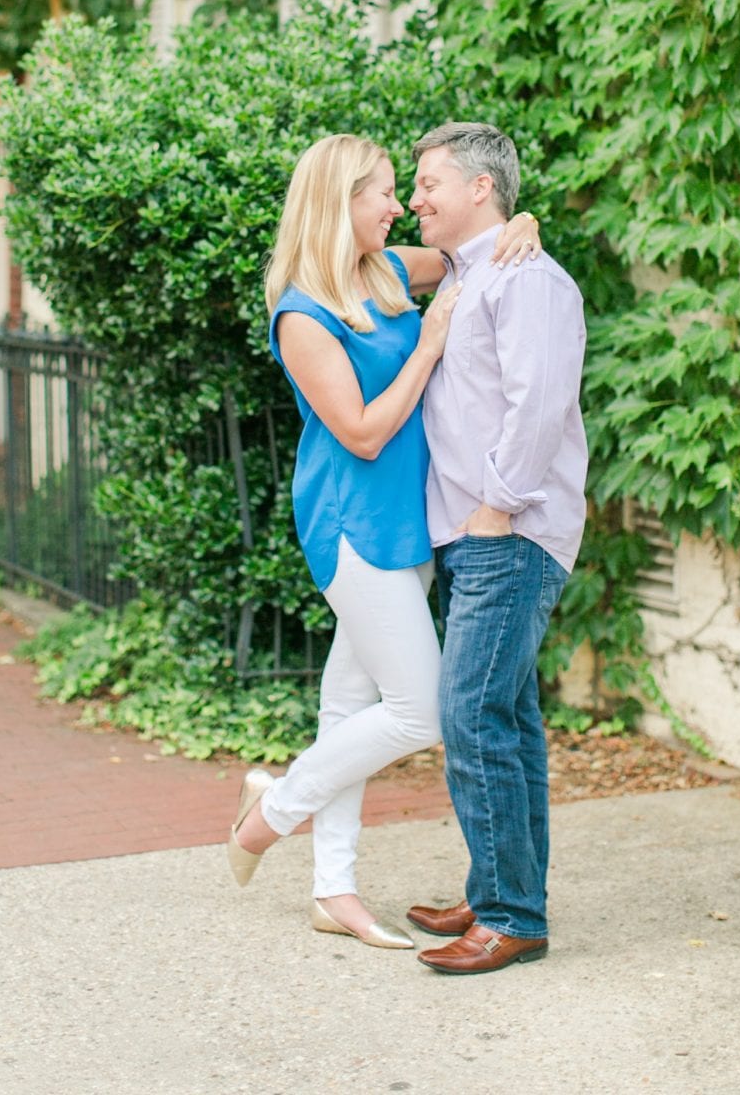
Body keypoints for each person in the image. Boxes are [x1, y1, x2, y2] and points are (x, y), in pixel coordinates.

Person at [227, 133, 540, 949]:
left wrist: (525, 221)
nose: (399, 206)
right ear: (340, 200)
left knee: (348, 706)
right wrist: (430, 343)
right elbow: (362, 434)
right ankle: (271, 814)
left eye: (404, 192)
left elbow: (475, 245)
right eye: (383, 193)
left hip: (411, 520)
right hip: (350, 523)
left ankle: (334, 890)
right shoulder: (301, 312)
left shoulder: (390, 270)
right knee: (420, 709)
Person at [404, 121, 587, 975]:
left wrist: (496, 509)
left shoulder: (527, 279)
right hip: (476, 534)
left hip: (506, 532)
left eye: (430, 182)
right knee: (505, 719)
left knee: (471, 714)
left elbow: (540, 402)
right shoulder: (474, 270)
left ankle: (512, 916)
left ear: (481, 187)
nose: (415, 198)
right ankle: (500, 893)